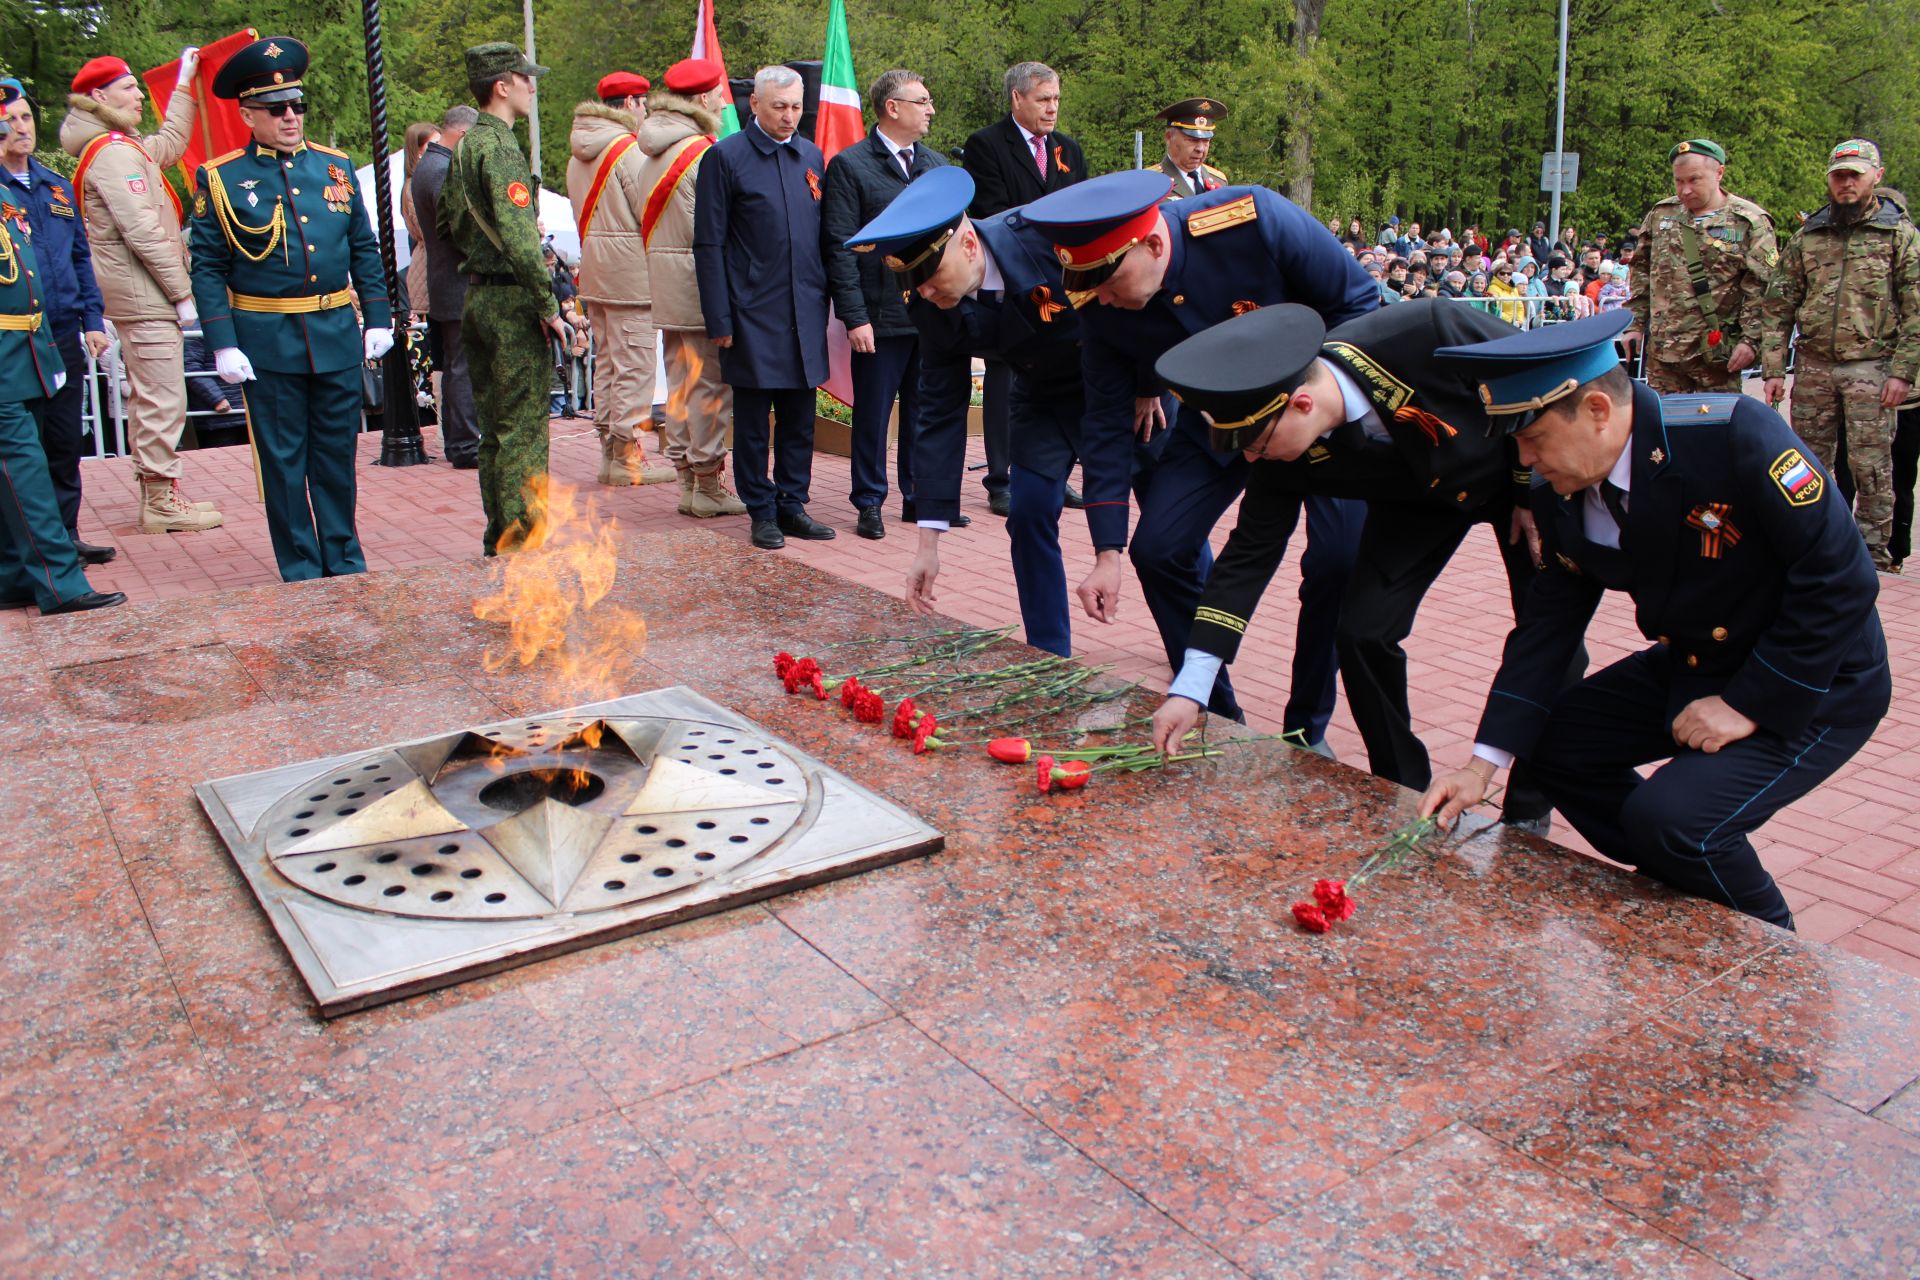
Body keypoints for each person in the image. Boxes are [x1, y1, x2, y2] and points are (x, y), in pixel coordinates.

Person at [1419, 311, 1890, 930]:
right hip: (1701, 664)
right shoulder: (1558, 491)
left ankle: (1777, 950)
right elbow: (1546, 628)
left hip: (1815, 678)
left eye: (1531, 439)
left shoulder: (1733, 437)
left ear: (1596, 410)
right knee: (1555, 747)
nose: (1526, 461)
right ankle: (1681, 881)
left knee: (1675, 823)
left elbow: (1842, 577)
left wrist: (1750, 701)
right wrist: (1484, 765)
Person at [1144, 300, 1567, 831]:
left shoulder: (1428, 329)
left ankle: (1530, 805)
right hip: (1419, 501)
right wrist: (1191, 688)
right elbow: (1245, 559)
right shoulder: (1281, 451)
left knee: (1551, 631)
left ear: (1301, 404)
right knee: (1363, 632)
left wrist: (1533, 484)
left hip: (1518, 479)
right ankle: (1405, 786)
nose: (1250, 460)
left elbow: (1536, 379)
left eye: (1254, 444)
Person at [1023, 170, 1377, 749]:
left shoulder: (1254, 219)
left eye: (1107, 282)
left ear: (1154, 245)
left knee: (1337, 562)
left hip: (1314, 416)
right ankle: (1216, 712)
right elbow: (1106, 421)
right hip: (1214, 425)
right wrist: (1106, 550)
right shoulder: (1103, 302)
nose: (1099, 299)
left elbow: (1359, 305)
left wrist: (1314, 400)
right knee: (1158, 549)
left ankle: (1305, 730)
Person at [849, 166, 1119, 654]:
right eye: (916, 286)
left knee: (1167, 539)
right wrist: (928, 542)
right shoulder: (930, 302)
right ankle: (1050, 655)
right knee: (1030, 513)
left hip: (1118, 387)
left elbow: (1128, 305)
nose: (926, 295)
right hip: (1042, 395)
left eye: (931, 279)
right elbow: (940, 410)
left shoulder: (1048, 237)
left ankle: (1197, 661)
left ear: (969, 245)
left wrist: (1145, 386)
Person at [190, 36, 390, 582]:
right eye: (276, 109)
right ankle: (300, 565)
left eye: (297, 106)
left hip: (333, 332)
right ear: (248, 114)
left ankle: (343, 557)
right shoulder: (221, 177)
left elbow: (363, 247)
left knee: (335, 458)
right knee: (283, 463)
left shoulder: (336, 168)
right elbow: (207, 265)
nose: (290, 117)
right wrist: (222, 342)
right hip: (267, 338)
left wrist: (377, 317)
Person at [59, 48, 223, 535]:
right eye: (128, 87)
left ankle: (161, 491)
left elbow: (170, 141)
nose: (137, 96)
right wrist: (181, 294)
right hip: (145, 293)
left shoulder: (120, 147)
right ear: (98, 96)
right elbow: (144, 230)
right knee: (162, 398)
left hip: (143, 291)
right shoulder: (111, 153)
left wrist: (184, 83)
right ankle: (160, 501)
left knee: (155, 395)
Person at [1760, 139, 1920, 572]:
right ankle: (1809, 541)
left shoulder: (1898, 235)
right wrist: (1774, 369)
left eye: (1856, 174)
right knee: (1805, 462)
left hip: (1872, 364)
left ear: (1876, 176)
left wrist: (1903, 372)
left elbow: (1916, 309)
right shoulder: (1808, 236)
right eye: (1839, 175)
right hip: (1813, 365)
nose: (1847, 183)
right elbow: (1778, 306)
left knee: (1871, 464)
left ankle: (1874, 554)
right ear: (1829, 179)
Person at [693, 65, 833, 550]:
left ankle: (793, 504)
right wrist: (720, 318)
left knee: (800, 415)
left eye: (796, 106)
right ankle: (761, 510)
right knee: (754, 422)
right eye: (779, 106)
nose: (789, 116)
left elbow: (824, 237)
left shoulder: (811, 155)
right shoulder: (726, 159)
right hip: (751, 311)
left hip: (805, 308)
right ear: (754, 104)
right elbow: (708, 245)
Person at [439, 43, 568, 555]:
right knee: (522, 432)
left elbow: (450, 223)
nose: (532, 87)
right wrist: (548, 305)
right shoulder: (501, 148)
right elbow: (518, 238)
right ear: (502, 85)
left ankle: (499, 535)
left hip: (478, 298)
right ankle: (523, 543)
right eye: (524, 78)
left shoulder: (465, 145)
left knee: (494, 430)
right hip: (513, 303)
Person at [0, 112, 123, 614]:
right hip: (10, 356)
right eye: (7, 120)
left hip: (39, 345)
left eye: (25, 116)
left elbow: (70, 260)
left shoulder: (35, 194)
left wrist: (89, 317)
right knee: (25, 472)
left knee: (49, 455)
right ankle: (60, 583)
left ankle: (12, 577)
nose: (18, 127)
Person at [820, 68, 947, 539]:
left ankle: (916, 498)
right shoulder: (852, 166)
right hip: (879, 314)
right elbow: (840, 247)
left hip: (930, 313)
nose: (931, 109)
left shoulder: (935, 166)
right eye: (922, 101)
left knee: (923, 411)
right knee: (873, 415)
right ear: (892, 108)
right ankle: (869, 501)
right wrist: (855, 317)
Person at [963, 62, 1085, 518]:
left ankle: (1057, 471)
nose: (1052, 108)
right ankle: (1001, 479)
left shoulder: (1068, 149)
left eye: (1056, 99)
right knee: (1003, 381)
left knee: (1062, 375)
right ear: (1018, 99)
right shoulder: (986, 145)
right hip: (1014, 284)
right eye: (1043, 99)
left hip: (1061, 282)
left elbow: (1083, 210)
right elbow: (993, 212)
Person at [636, 58, 744, 520]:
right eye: (718, 95)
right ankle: (706, 484)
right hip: (700, 283)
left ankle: (686, 478)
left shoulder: (650, 150)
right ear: (703, 99)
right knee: (710, 388)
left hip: (664, 280)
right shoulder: (702, 153)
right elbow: (720, 225)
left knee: (681, 383)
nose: (723, 102)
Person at [567, 70, 676, 487]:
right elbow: (651, 209)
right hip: (630, 274)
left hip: (597, 272)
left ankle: (611, 454)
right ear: (629, 104)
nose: (646, 109)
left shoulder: (580, 152)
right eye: (642, 101)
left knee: (610, 363)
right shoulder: (627, 151)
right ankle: (628, 456)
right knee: (635, 366)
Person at [1620, 139, 1776, 395]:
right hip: (1664, 353)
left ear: (1719, 173)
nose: (1685, 190)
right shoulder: (1662, 214)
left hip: (1714, 354)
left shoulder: (1749, 221)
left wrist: (1751, 341)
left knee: (1713, 428)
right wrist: (1635, 325)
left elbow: (1761, 288)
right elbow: (1641, 271)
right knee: (1664, 428)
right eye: (1679, 181)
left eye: (1694, 180)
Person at [410, 105, 478, 468]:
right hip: (456, 281)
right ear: (463, 135)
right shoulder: (440, 170)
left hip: (447, 281)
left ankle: (460, 442)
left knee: (456, 366)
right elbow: (459, 230)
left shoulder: (431, 166)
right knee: (461, 367)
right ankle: (466, 444)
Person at [399, 121, 437, 321]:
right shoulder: (414, 187)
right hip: (428, 272)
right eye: (433, 145)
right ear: (418, 152)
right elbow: (429, 230)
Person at [1155, 98, 1227, 199]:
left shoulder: (1219, 181)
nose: (1201, 149)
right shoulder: (1151, 184)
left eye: (1206, 141)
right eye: (1193, 140)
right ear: (1169, 137)